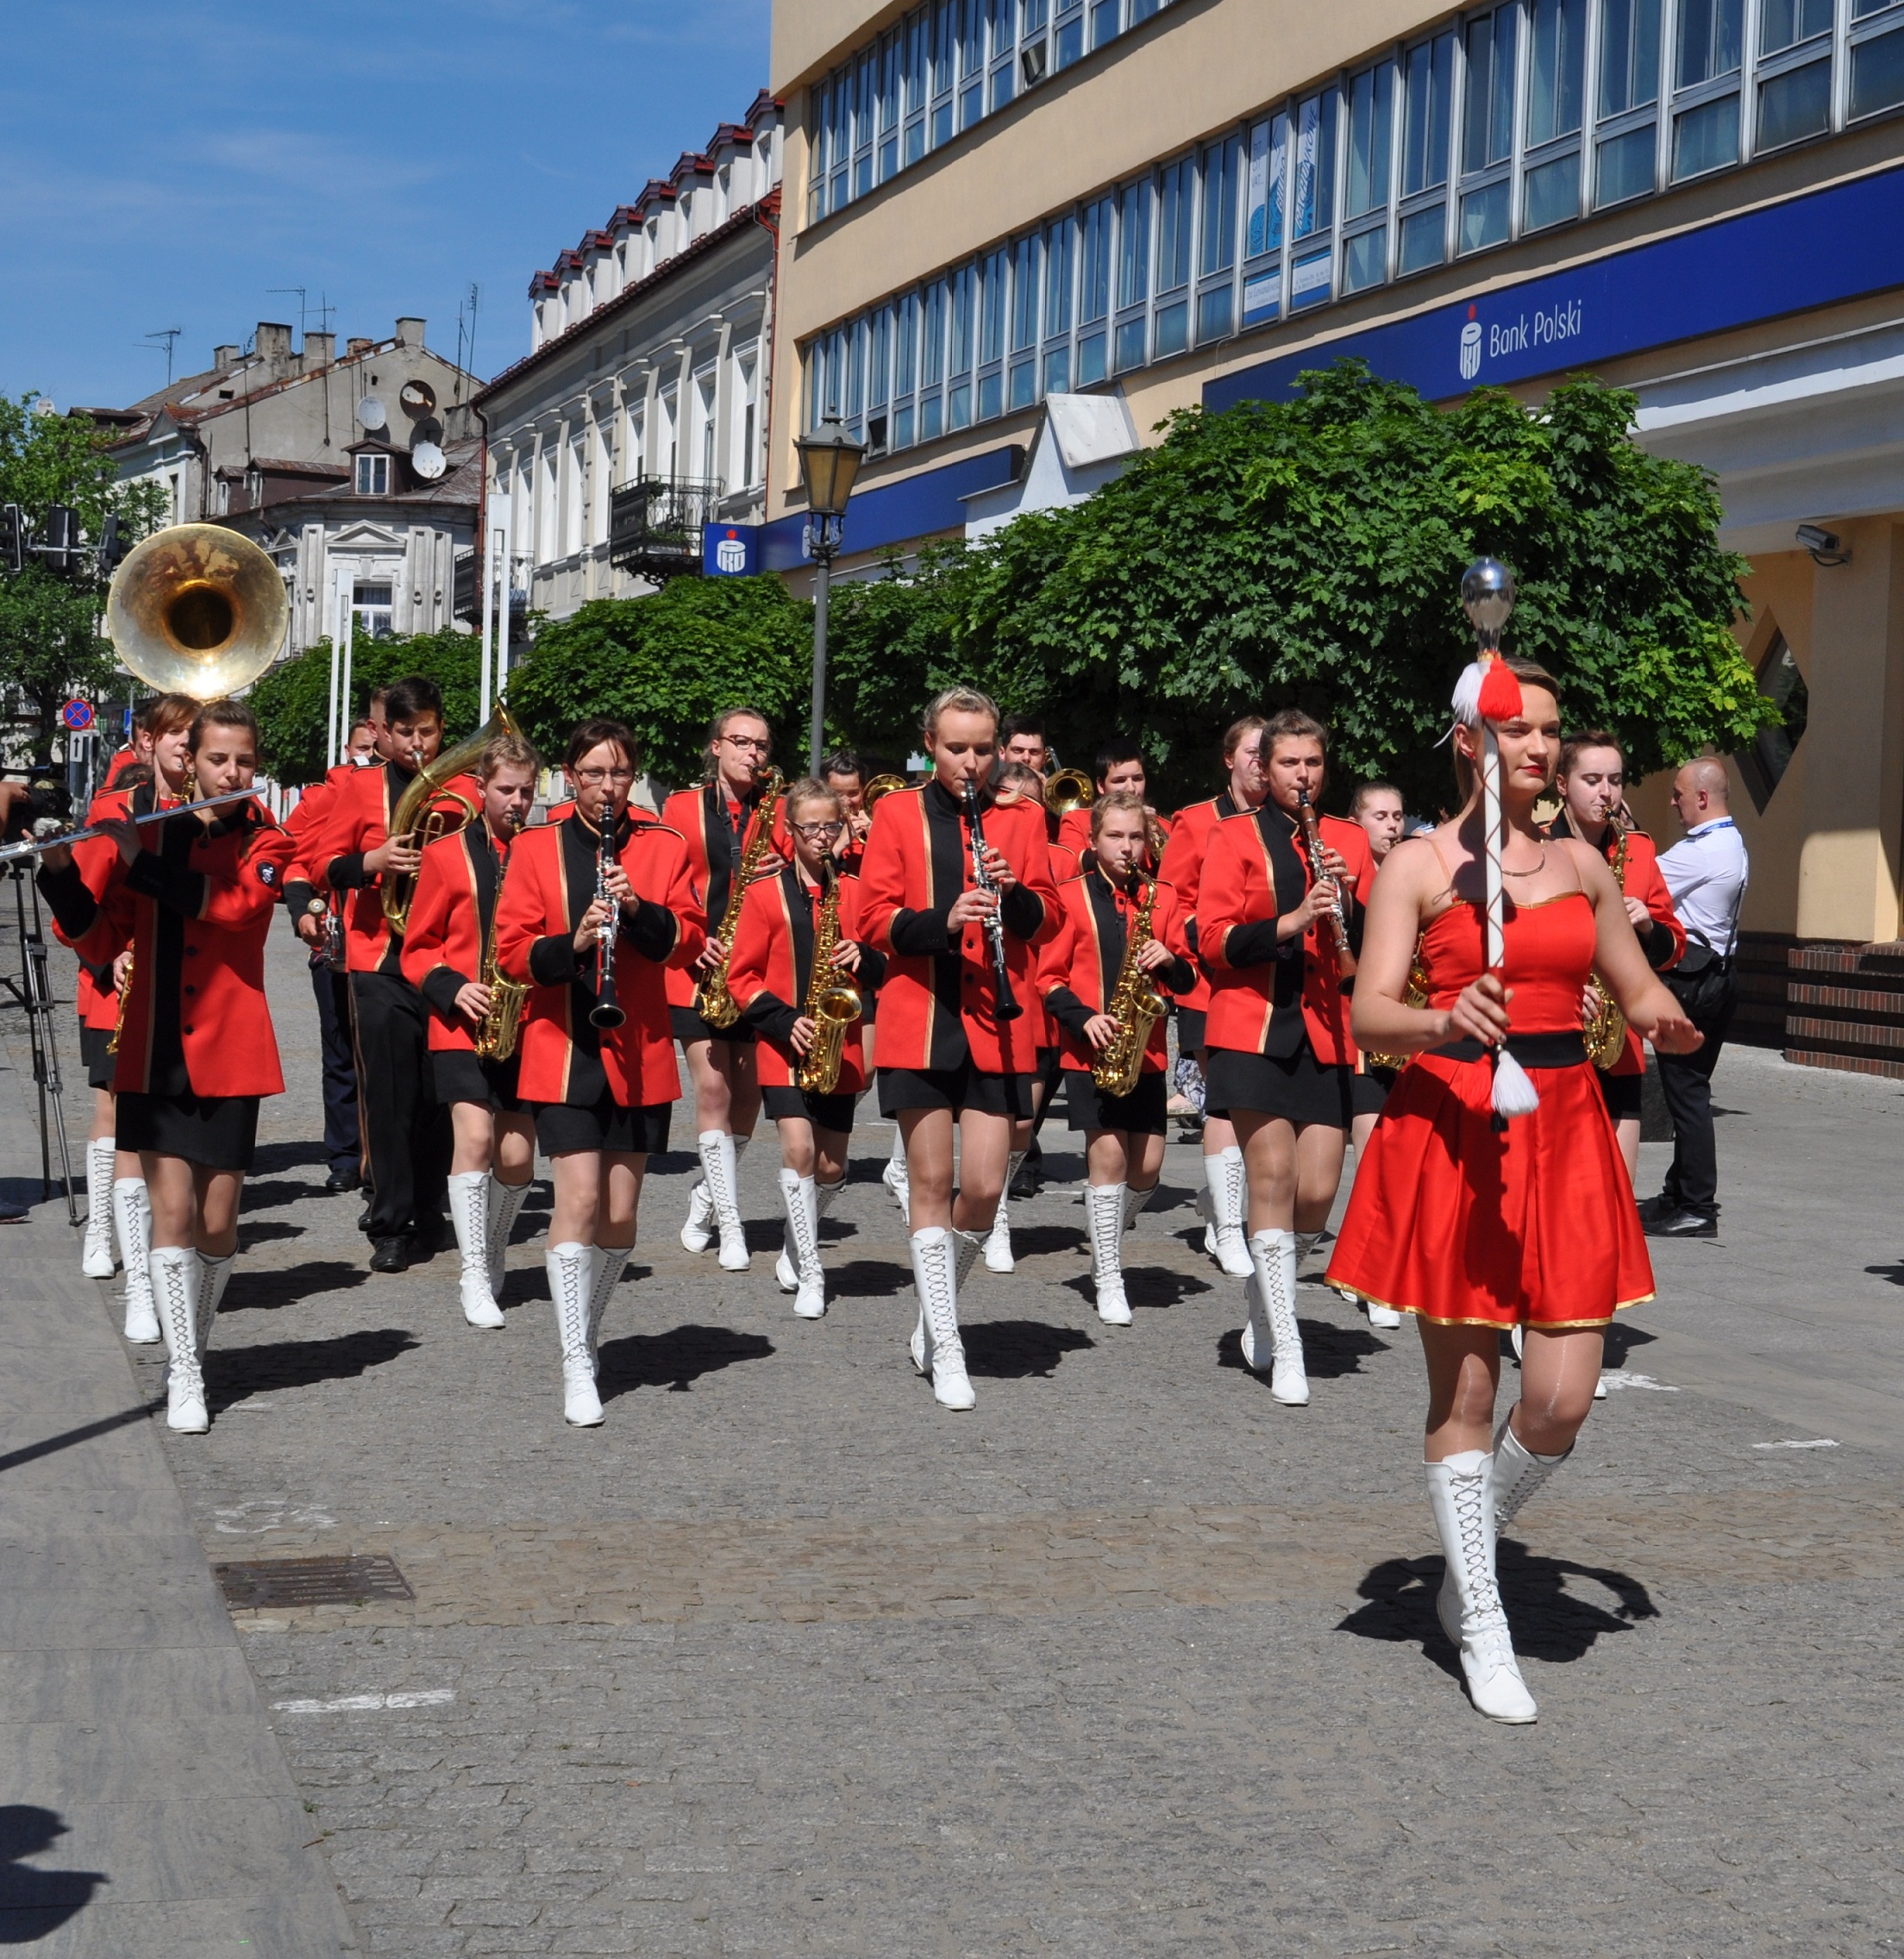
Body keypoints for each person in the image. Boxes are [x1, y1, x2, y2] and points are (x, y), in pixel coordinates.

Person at [1326, 658, 1699, 1723]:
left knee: (1562, 1397)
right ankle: (1479, 1616)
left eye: (1547, 731)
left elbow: (1631, 983)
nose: (1536, 748)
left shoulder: (1584, 864)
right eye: (1514, 731)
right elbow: (1370, 1018)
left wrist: (1663, 1017)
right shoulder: (1419, 867)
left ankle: (1467, 1556)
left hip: (1568, 1129)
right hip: (1456, 1129)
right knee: (1471, 1392)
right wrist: (1446, 1019)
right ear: (1466, 743)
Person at [37, 701, 296, 1433]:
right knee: (174, 1213)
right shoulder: (149, 833)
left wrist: (138, 862)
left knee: (218, 1224)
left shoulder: (267, 836)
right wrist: (60, 869)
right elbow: (96, 936)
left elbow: (237, 906)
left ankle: (196, 1338)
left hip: (232, 1049)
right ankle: (186, 1370)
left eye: (244, 761)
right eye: (218, 760)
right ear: (193, 760)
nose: (231, 772)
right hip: (152, 1044)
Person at [496, 718, 704, 1426]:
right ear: (570, 775)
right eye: (593, 774)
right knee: (578, 1202)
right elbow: (511, 953)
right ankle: (576, 1359)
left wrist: (640, 910)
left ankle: (588, 1325)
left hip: (639, 1049)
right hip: (562, 1047)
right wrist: (572, 942)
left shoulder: (664, 846)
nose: (607, 788)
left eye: (619, 774)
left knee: (620, 1218)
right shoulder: (534, 847)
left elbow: (690, 941)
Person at [859, 687, 1061, 1411]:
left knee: (981, 1188)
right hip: (922, 1016)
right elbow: (872, 917)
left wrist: (1014, 897)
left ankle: (932, 1313)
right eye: (955, 748)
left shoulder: (1024, 818)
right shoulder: (895, 813)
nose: (970, 762)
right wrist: (941, 920)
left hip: (1000, 1022)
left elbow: (1051, 915)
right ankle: (947, 1342)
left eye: (982, 749)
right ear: (929, 744)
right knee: (929, 1181)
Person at [1197, 710, 1372, 1404]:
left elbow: (1373, 940)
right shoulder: (1233, 836)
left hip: (1327, 1029)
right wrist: (1290, 923)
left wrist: (1349, 903)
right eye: (1290, 764)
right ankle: (1287, 1342)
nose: (1304, 776)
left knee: (1319, 1190)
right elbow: (1212, 939)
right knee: (1271, 1174)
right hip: (1251, 1029)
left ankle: (1263, 1303)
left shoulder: (1348, 841)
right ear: (1264, 770)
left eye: (1314, 764)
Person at [51, 693, 198, 1340]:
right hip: (118, 983)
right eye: (181, 738)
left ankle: (153, 1258)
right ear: (148, 741)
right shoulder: (114, 812)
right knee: (117, 1114)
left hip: (191, 991)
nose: (188, 750)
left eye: (198, 739)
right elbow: (82, 910)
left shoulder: (214, 816)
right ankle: (120, 1254)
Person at [320, 677, 473, 1271]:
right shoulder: (360, 789)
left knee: (439, 1094)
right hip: (380, 957)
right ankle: (389, 1221)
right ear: (386, 734)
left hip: (445, 961)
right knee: (387, 1097)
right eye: (405, 732)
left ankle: (429, 1207)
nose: (417, 744)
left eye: (428, 731)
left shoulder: (464, 789)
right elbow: (324, 865)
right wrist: (372, 862)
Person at [728, 779, 886, 1318]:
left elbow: (891, 967)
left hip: (840, 1043)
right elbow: (741, 976)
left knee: (832, 1167)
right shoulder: (763, 893)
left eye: (831, 826)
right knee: (797, 1151)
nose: (823, 837)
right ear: (790, 831)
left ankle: (798, 1244)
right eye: (811, 827)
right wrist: (784, 1018)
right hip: (785, 1041)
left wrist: (864, 956)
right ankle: (812, 1268)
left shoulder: (860, 892)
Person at [1038, 792, 1197, 1324]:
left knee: (1148, 1169)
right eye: (1116, 836)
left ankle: (1103, 1225)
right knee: (1107, 1160)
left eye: (1136, 837)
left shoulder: (1164, 897)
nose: (1127, 847)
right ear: (1094, 840)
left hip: (1146, 1052)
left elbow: (1190, 978)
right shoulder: (1069, 896)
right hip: (1091, 1051)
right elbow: (1049, 979)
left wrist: (1171, 959)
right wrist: (1083, 1017)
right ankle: (1108, 1273)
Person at [401, 732, 541, 1330]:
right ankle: (474, 1272)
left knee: (516, 1158)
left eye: (526, 792)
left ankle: (496, 1243)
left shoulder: (542, 852)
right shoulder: (445, 855)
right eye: (505, 790)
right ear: (479, 788)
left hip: (528, 1021)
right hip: (460, 1019)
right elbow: (417, 948)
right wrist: (451, 987)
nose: (517, 801)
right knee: (476, 1142)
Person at [662, 706, 786, 1272]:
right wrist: (694, 938)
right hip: (698, 969)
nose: (752, 753)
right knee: (712, 1095)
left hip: (758, 972)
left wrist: (787, 866)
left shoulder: (780, 810)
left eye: (760, 744)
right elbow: (666, 883)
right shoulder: (681, 807)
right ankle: (732, 1228)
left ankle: (706, 1199)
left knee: (747, 1103)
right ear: (716, 746)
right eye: (741, 742)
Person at [1156, 716, 1271, 1281]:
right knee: (1223, 1096)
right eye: (1253, 751)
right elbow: (1171, 901)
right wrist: (1198, 938)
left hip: (1268, 981)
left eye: (1268, 752)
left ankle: (1220, 1201)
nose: (1261, 761)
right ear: (1230, 759)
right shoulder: (1197, 821)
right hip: (1209, 978)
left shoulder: (1286, 822)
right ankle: (1230, 1228)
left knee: (1258, 1103)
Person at [1547, 735, 1685, 1184]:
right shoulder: (1535, 847)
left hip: (1618, 1043)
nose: (1606, 792)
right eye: (1592, 780)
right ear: (1562, 784)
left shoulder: (1638, 849)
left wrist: (1648, 924)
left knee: (1617, 1188)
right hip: (1552, 1033)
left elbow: (1674, 948)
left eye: (1615, 780)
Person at [1645, 758, 1749, 1239]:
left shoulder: (1702, 851)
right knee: (1691, 1090)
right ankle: (1678, 1192)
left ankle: (1697, 1206)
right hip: (1719, 979)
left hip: (1693, 980)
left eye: (1679, 794)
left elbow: (1636, 876)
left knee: (1686, 1094)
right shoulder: (1731, 840)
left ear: (1702, 798)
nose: (1674, 802)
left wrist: (1624, 836)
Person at [282, 717, 380, 1198]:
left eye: (378, 745)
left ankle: (385, 1159)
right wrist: (303, 911)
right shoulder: (331, 792)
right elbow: (295, 857)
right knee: (340, 1051)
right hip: (337, 938)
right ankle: (345, 1154)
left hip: (391, 944)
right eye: (365, 747)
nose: (372, 754)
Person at [1340, 780, 1410, 1331]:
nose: (1391, 824)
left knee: (1405, 1161)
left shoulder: (1418, 874)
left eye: (1398, 815)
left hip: (1414, 1032)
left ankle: (1382, 1265)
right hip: (1361, 1037)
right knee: (1374, 1159)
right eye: (1379, 815)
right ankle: (1375, 1279)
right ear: (1356, 823)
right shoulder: (1350, 880)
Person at [1052, 741, 1171, 879]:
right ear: (1101, 786)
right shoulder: (1077, 820)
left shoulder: (1164, 827)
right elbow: (1068, 867)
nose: (1131, 788)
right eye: (1120, 780)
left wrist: (1156, 851)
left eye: (1137, 779)